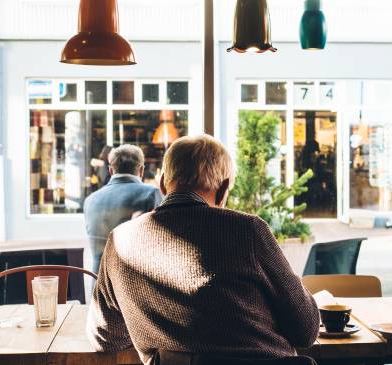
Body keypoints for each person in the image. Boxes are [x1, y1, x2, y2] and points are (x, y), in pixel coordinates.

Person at [86, 135, 320, 364]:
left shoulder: (120, 241)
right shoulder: (248, 230)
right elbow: (305, 330)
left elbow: (105, 338)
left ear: (163, 183)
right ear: (224, 188)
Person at [83, 144, 162, 273]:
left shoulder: (90, 200)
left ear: (110, 171)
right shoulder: (151, 194)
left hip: (98, 284)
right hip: (134, 286)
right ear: (141, 170)